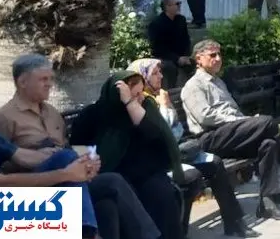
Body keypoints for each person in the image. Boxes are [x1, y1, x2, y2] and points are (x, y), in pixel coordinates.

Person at [0, 72, 159, 239]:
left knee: (109, 186)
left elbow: (22, 155)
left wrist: (81, 162)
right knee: (96, 195)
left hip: (29, 193)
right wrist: (66, 173)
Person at [181, 40, 280, 221]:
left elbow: (232, 112)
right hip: (210, 138)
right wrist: (243, 121)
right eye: (212, 55)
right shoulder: (194, 86)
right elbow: (205, 117)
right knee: (266, 122)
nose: (218, 59)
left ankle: (268, 203)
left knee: (268, 144)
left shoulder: (218, 82)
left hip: (229, 134)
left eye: (219, 54)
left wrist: (246, 123)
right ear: (198, 59)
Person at [127, 58, 256, 238]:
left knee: (215, 163)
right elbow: (161, 134)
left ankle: (233, 221)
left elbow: (177, 131)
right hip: (160, 159)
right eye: (155, 73)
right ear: (142, 77)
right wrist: (165, 108)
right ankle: (180, 232)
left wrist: (167, 110)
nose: (161, 76)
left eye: (160, 72)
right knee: (190, 179)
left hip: (176, 151)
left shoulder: (158, 96)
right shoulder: (141, 102)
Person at [70, 70, 190, 239]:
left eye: (141, 93)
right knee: (125, 197)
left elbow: (156, 138)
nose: (140, 98)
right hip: (111, 171)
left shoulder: (143, 108)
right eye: (135, 95)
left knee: (162, 192)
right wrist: (91, 162)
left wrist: (131, 104)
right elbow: (79, 145)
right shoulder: (93, 115)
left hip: (146, 172)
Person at [147, 0, 192, 88]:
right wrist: (177, 58)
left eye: (179, 3)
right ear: (167, 6)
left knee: (196, 63)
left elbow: (186, 40)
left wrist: (186, 55)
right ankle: (170, 91)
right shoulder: (156, 23)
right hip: (164, 56)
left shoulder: (181, 20)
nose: (179, 6)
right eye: (177, 4)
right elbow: (157, 48)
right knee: (169, 67)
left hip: (181, 55)